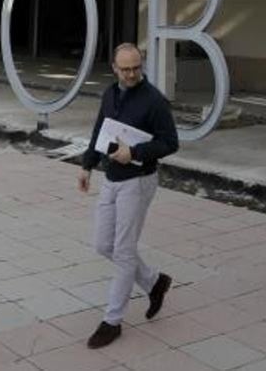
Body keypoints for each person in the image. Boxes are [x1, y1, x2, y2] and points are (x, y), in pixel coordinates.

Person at [78, 43, 179, 349]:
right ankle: (153, 281)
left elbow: (170, 143)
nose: (132, 73)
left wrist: (135, 152)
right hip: (111, 177)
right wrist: (87, 165)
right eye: (125, 69)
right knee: (102, 244)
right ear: (115, 68)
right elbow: (101, 130)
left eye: (136, 67)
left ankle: (112, 321)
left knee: (123, 250)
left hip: (138, 180)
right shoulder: (110, 93)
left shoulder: (155, 101)